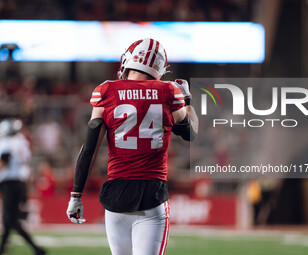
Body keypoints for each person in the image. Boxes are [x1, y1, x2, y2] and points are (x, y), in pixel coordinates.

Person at [66, 38, 198, 255]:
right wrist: (187, 99)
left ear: (130, 59)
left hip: (117, 198)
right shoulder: (168, 91)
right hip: (152, 197)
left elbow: (89, 149)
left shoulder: (106, 91)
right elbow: (191, 133)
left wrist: (76, 195)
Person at [0, 119, 46, 255]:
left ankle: (36, 248)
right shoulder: (22, 142)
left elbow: (4, 163)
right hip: (20, 182)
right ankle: (2, 249)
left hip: (10, 182)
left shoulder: (8, 143)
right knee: (8, 218)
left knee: (10, 219)